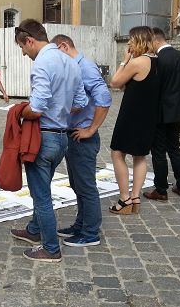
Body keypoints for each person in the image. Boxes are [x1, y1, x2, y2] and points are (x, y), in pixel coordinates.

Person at [10, 19, 88, 262]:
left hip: (43, 138)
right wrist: (61, 109)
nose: (23, 53)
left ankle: (51, 248)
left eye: (22, 47)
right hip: (62, 138)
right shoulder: (71, 61)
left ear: (30, 40)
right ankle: (34, 230)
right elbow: (80, 103)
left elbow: (37, 108)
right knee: (42, 189)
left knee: (41, 196)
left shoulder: (42, 62)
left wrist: (18, 110)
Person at [51, 34, 111, 247]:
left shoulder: (85, 67)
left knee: (86, 186)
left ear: (64, 46)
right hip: (74, 135)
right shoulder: (75, 67)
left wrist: (91, 129)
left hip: (83, 137)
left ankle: (90, 233)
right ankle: (81, 224)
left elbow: (104, 98)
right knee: (77, 184)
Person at [109, 26, 160, 214]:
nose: (129, 43)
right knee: (140, 156)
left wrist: (124, 61)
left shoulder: (137, 62)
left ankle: (124, 198)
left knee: (117, 153)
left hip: (132, 114)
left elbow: (114, 82)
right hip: (148, 115)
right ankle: (136, 196)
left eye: (131, 39)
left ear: (138, 40)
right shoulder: (157, 62)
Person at [142, 28, 180, 201]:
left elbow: (152, 90)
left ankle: (161, 189)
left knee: (158, 151)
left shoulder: (157, 60)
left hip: (159, 113)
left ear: (156, 41)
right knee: (174, 148)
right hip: (178, 113)